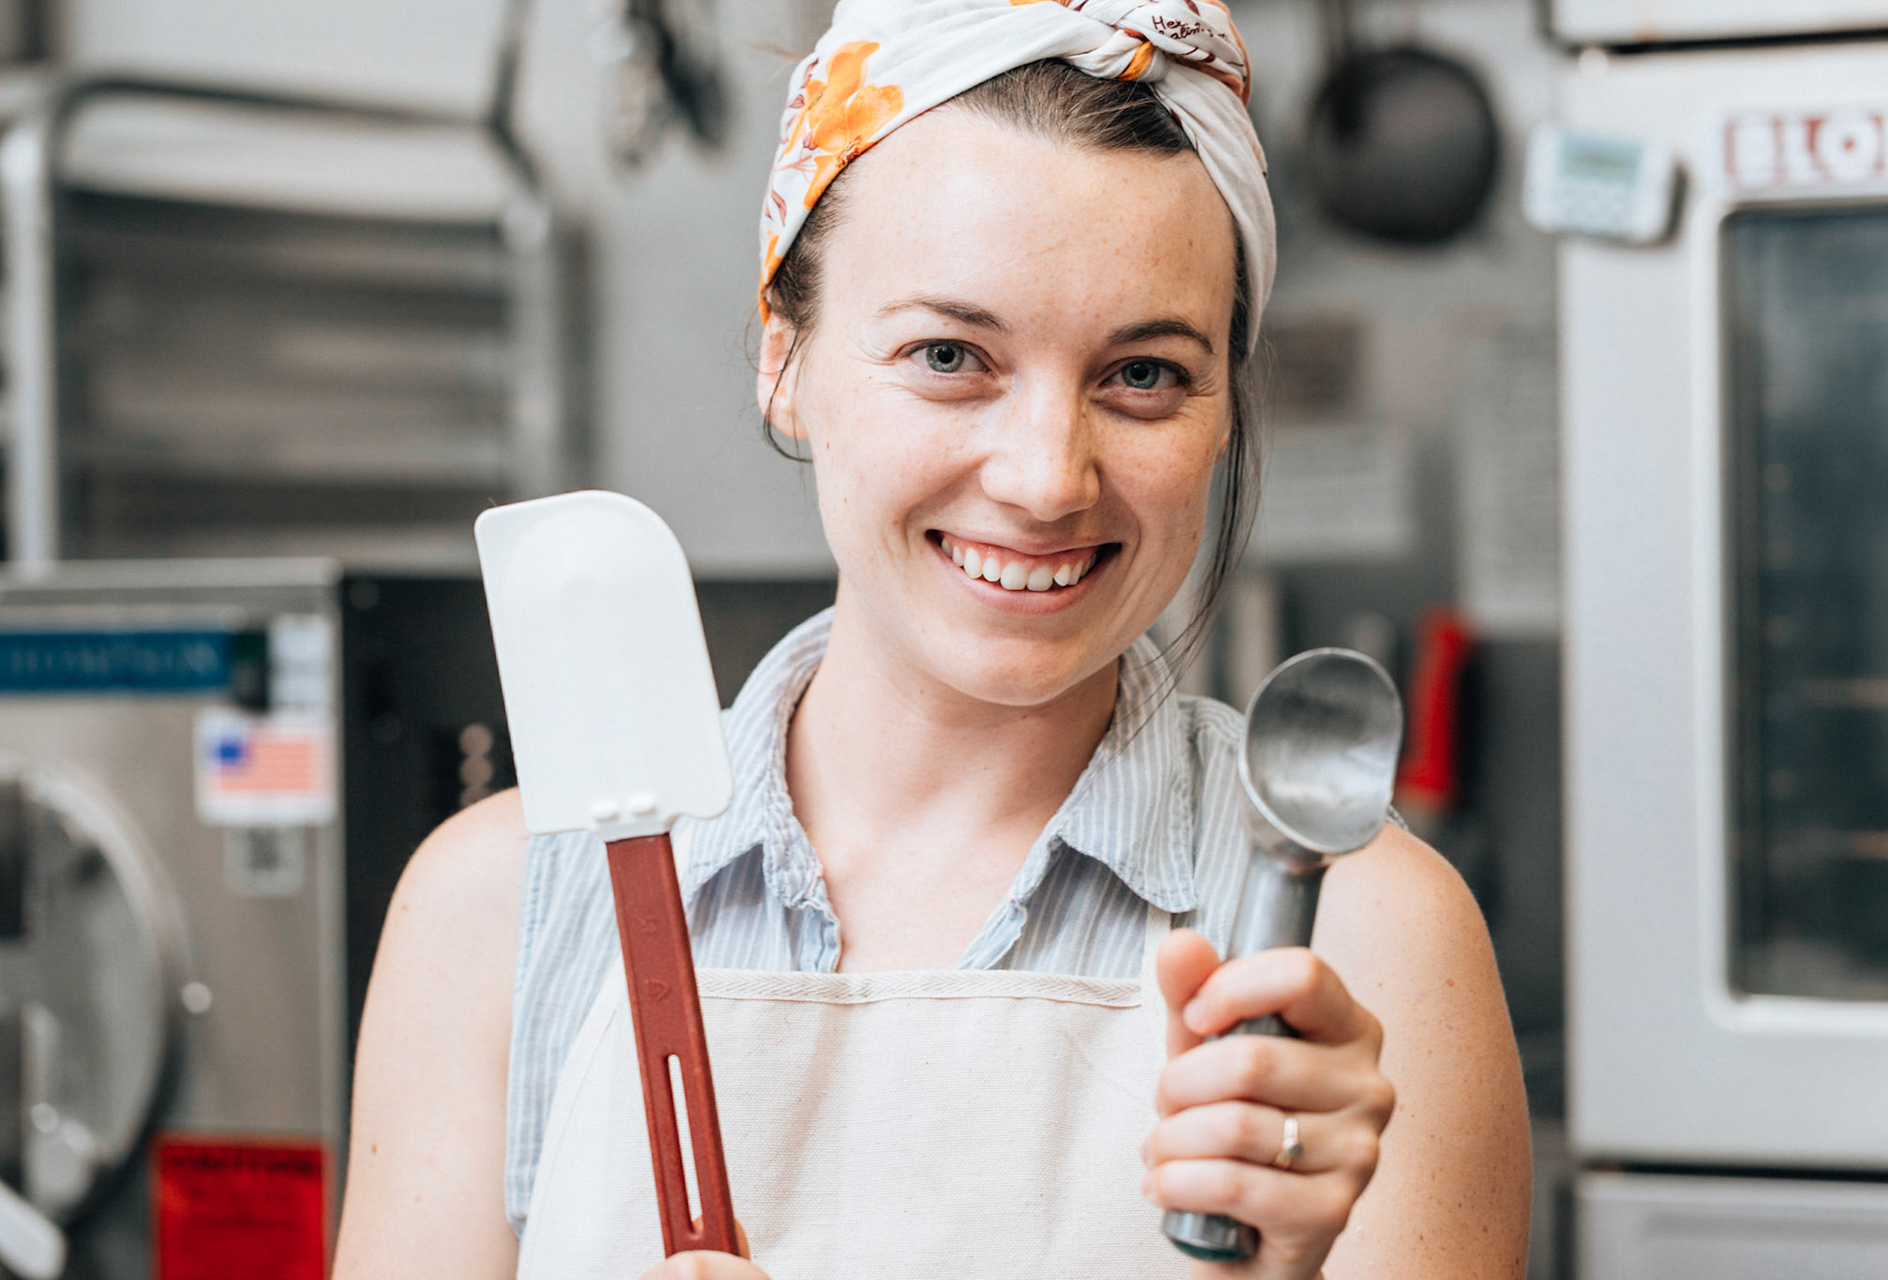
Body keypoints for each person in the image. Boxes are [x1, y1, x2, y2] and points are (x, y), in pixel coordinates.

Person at [332, 2, 1531, 1277]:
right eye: (950, 353)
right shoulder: (506, 905)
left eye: (1144, 374)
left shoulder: (1363, 934)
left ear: (1226, 403)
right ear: (784, 360)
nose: (1045, 477)